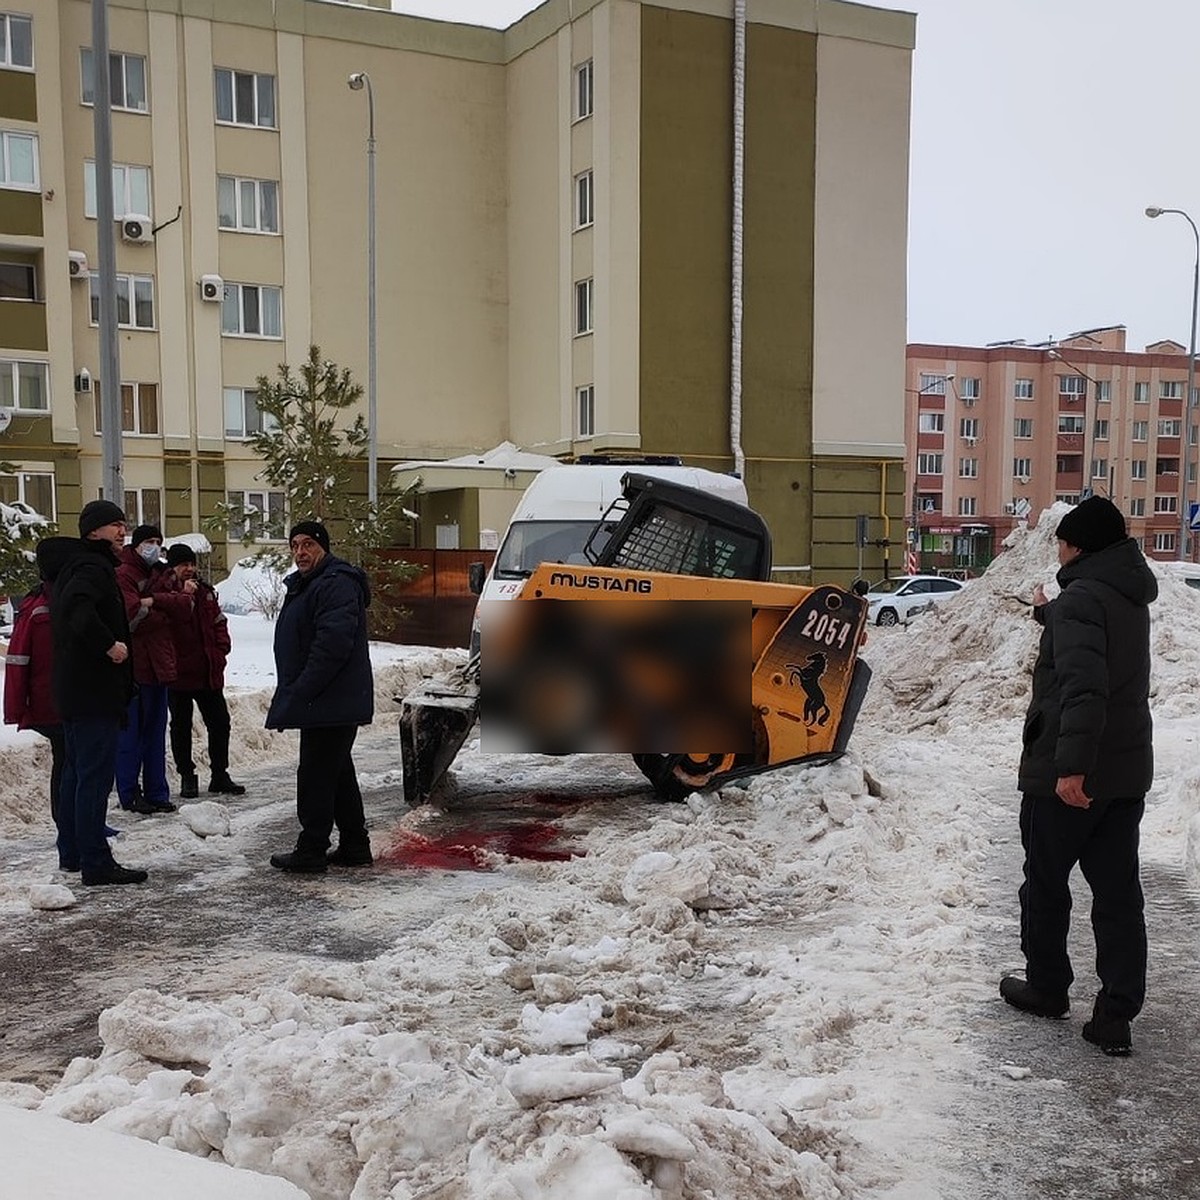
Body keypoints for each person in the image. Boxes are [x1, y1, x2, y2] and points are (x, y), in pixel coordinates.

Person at [1000, 495, 1156, 1057]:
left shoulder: (1080, 600)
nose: (1058, 550)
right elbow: (1098, 651)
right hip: (1125, 774)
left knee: (1045, 883)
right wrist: (1051, 612)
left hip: (1071, 777)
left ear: (1079, 546)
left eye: (1063, 541)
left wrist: (1070, 769)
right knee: (1118, 895)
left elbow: (1084, 689)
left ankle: (1047, 987)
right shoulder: (1123, 596)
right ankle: (1116, 1015)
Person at [266, 521, 374, 873]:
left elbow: (332, 644)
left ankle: (311, 849)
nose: (300, 552)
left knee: (314, 774)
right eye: (295, 545)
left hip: (330, 698)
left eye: (308, 544)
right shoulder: (311, 583)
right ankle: (355, 846)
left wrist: (303, 689)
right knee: (337, 772)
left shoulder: (335, 583)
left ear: (323, 548)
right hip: (328, 699)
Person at [51, 500, 147, 885]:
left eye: (123, 524)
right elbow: (79, 610)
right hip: (92, 693)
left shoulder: (76, 566)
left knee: (76, 772)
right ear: (93, 532)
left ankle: (73, 852)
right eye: (114, 526)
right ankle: (95, 861)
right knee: (93, 777)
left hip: (76, 691)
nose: (122, 531)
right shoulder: (92, 567)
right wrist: (109, 644)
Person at [115, 524, 195, 813]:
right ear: (135, 544)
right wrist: (167, 610)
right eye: (148, 541)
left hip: (160, 665)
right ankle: (129, 793)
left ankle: (157, 792)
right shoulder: (124, 573)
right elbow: (132, 617)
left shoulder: (159, 573)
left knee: (154, 734)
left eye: (158, 541)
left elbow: (186, 607)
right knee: (131, 736)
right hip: (135, 668)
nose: (154, 546)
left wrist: (157, 601)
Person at [158, 543, 244, 798]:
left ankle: (220, 774)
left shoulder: (205, 592)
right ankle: (187, 776)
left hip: (208, 670)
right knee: (181, 727)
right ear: (172, 567)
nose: (189, 569)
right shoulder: (167, 594)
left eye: (191, 563)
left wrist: (221, 650)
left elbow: (219, 622)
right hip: (179, 674)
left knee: (220, 723)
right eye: (183, 564)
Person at [4, 537, 77, 826]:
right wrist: (16, 708)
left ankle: (75, 820)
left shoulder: (62, 598)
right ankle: (65, 821)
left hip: (65, 696)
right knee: (67, 761)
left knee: (73, 760)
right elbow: (18, 659)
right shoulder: (39, 606)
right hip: (50, 701)